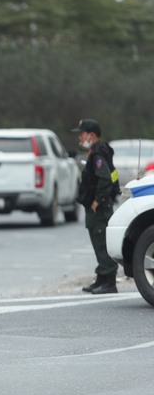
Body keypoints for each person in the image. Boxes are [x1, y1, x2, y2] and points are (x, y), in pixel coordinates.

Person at [73, 118, 120, 294]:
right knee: (97, 241)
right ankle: (101, 277)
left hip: (99, 207)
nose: (80, 138)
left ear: (91, 135)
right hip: (98, 206)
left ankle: (109, 281)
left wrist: (97, 200)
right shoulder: (98, 150)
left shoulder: (98, 153)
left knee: (101, 242)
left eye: (82, 134)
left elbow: (105, 178)